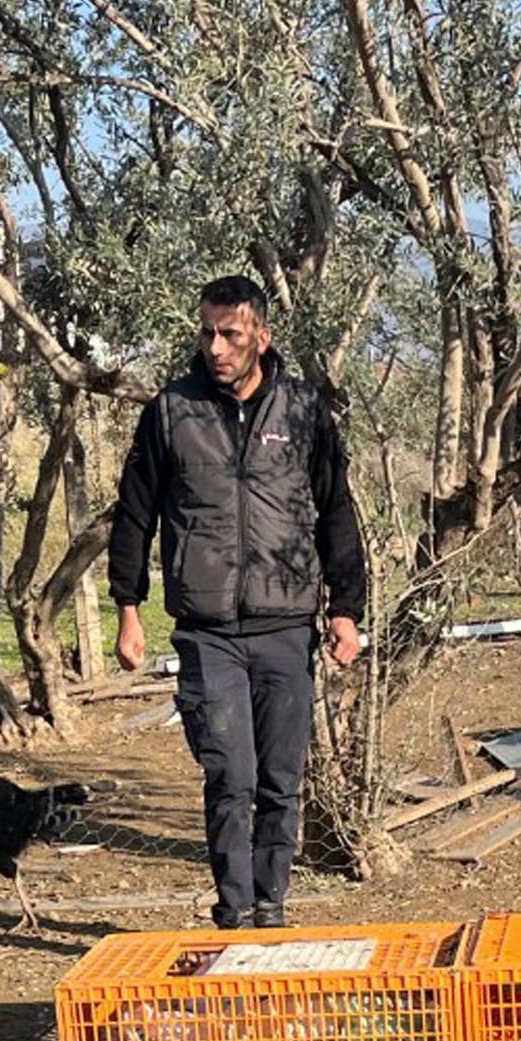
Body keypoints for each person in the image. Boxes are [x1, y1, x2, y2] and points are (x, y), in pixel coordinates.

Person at [109, 274, 367, 931]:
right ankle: (234, 909)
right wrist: (129, 608)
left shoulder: (305, 411)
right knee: (230, 775)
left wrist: (346, 610)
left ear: (261, 337)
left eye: (230, 333)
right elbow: (135, 513)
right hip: (208, 631)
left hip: (287, 627)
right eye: (207, 333)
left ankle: (270, 908)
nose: (216, 347)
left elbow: (337, 511)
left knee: (281, 780)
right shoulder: (171, 411)